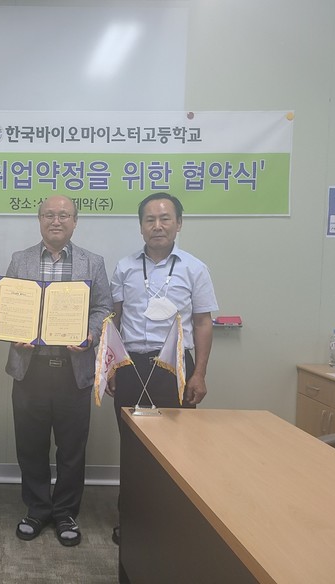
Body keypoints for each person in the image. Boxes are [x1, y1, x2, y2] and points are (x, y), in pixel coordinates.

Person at [106, 192, 218, 544]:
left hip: (174, 367)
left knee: (176, 448)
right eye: (150, 220)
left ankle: (170, 521)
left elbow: (203, 322)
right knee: (132, 448)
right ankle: (132, 520)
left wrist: (199, 373)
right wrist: (111, 366)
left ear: (178, 224)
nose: (157, 225)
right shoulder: (125, 267)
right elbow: (115, 320)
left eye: (165, 218)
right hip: (131, 365)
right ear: (141, 227)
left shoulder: (194, 268)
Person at [5, 195, 111, 547]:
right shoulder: (20, 260)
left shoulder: (93, 262)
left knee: (72, 448)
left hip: (72, 370)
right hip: (30, 369)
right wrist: (14, 332)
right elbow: (9, 306)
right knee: (30, 445)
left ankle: (65, 512)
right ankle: (37, 509)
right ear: (39, 220)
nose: (56, 221)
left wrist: (91, 334)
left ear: (75, 221)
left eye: (64, 215)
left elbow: (103, 308)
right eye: (49, 214)